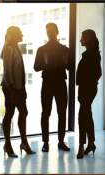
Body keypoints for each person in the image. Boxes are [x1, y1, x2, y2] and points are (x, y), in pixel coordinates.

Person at [34, 23, 71, 152]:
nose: (49, 33)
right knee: (46, 113)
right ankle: (45, 142)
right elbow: (35, 67)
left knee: (61, 113)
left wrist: (65, 61)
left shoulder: (65, 49)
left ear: (57, 32)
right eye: (47, 31)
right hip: (48, 83)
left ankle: (61, 141)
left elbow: (70, 67)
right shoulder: (41, 49)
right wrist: (45, 64)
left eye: (51, 31)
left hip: (60, 83)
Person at [0, 26, 35, 158]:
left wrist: (23, 89)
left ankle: (19, 143)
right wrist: (13, 90)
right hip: (11, 87)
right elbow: (8, 72)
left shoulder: (15, 48)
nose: (22, 34)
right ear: (14, 35)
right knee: (11, 113)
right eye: (20, 33)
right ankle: (11, 144)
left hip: (17, 87)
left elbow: (19, 72)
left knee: (15, 113)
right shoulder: (9, 49)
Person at [75, 29, 102, 159]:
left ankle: (81, 145)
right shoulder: (90, 54)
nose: (80, 40)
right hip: (86, 89)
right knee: (87, 114)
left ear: (87, 39)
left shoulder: (92, 54)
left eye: (82, 38)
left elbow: (98, 73)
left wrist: (86, 81)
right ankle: (91, 143)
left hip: (87, 89)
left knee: (82, 116)